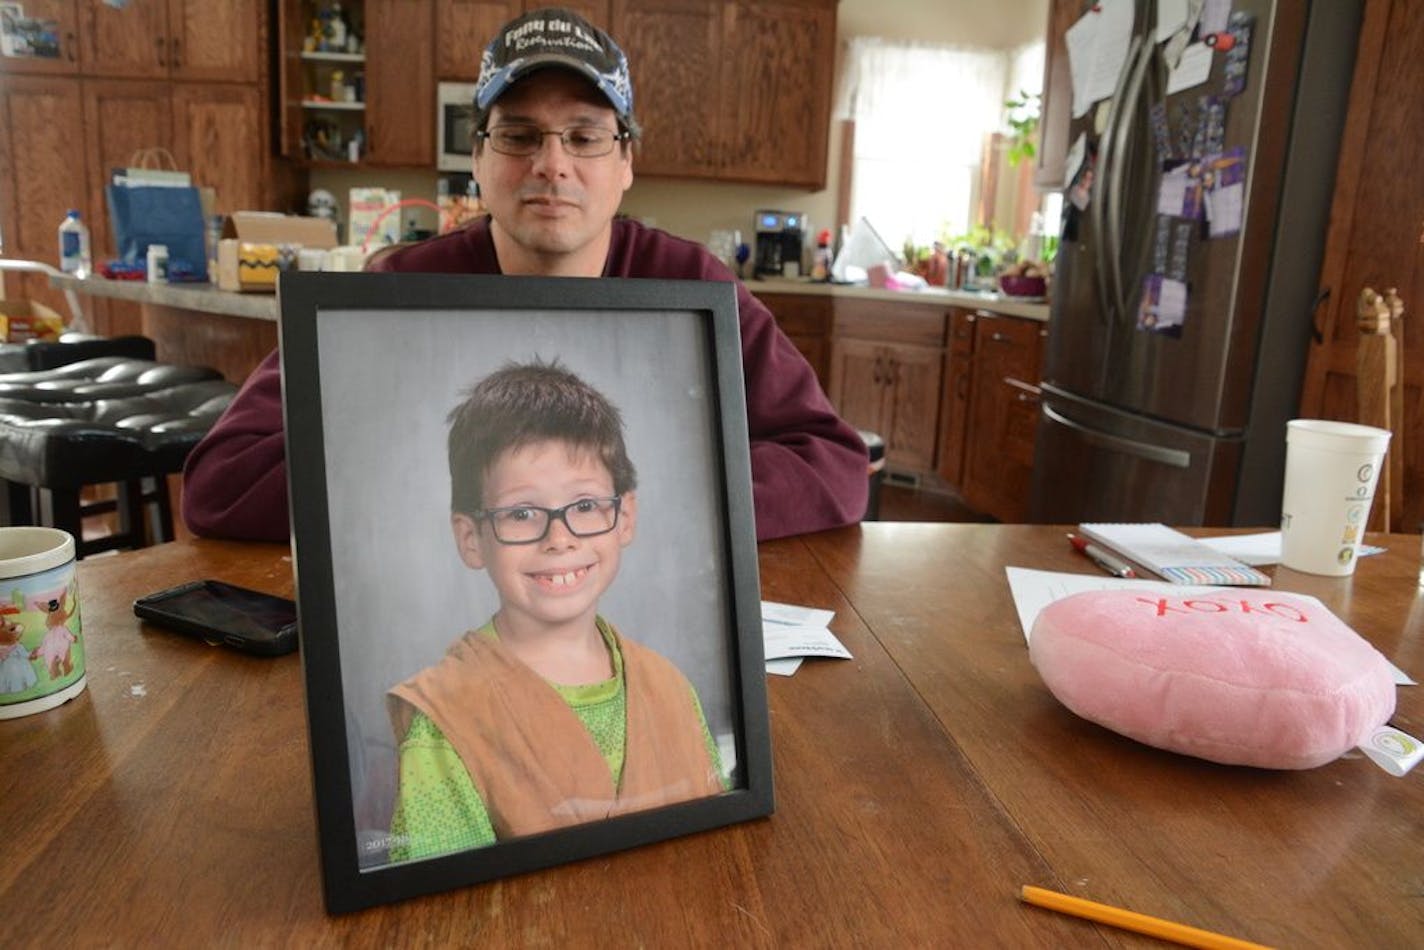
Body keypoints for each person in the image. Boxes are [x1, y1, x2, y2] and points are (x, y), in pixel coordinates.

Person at [181, 6, 867, 544]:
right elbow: (223, 480)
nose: (552, 163)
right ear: (478, 158)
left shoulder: (695, 287)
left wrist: (625, 504)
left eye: (585, 135)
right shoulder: (395, 291)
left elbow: (832, 466)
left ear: (626, 162)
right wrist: (469, 498)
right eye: (518, 135)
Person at [385, 359, 725, 862]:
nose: (559, 539)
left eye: (585, 506)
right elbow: (445, 914)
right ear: (471, 538)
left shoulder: (670, 688)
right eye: (521, 514)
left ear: (624, 516)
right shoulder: (446, 720)